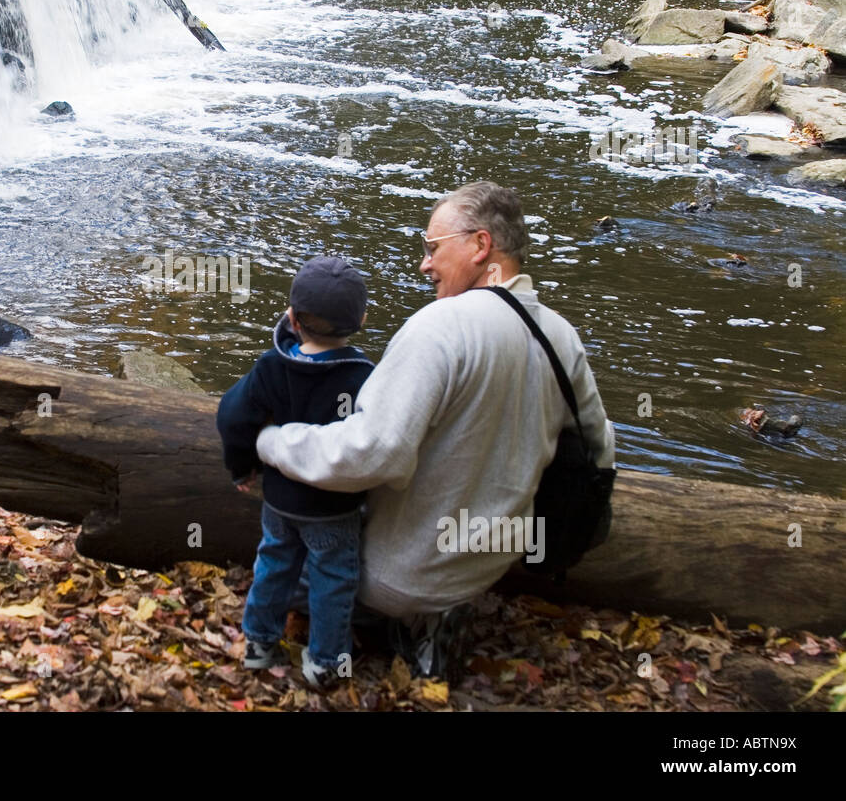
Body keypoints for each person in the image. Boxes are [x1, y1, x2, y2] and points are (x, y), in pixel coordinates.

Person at [254, 182, 615, 681]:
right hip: (489, 562)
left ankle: (398, 621)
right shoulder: (560, 335)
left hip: (399, 574)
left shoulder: (440, 326)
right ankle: (443, 610)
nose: (424, 264)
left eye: (433, 248)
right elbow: (600, 447)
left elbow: (371, 453)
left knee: (282, 549)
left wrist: (272, 441)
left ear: (480, 245)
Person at [216, 256, 374, 689]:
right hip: (334, 508)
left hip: (280, 500)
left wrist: (241, 466)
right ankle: (325, 663)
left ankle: (258, 645)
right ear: (361, 319)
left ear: (291, 317)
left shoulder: (271, 366)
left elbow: (233, 415)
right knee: (334, 578)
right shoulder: (364, 376)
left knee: (274, 563)